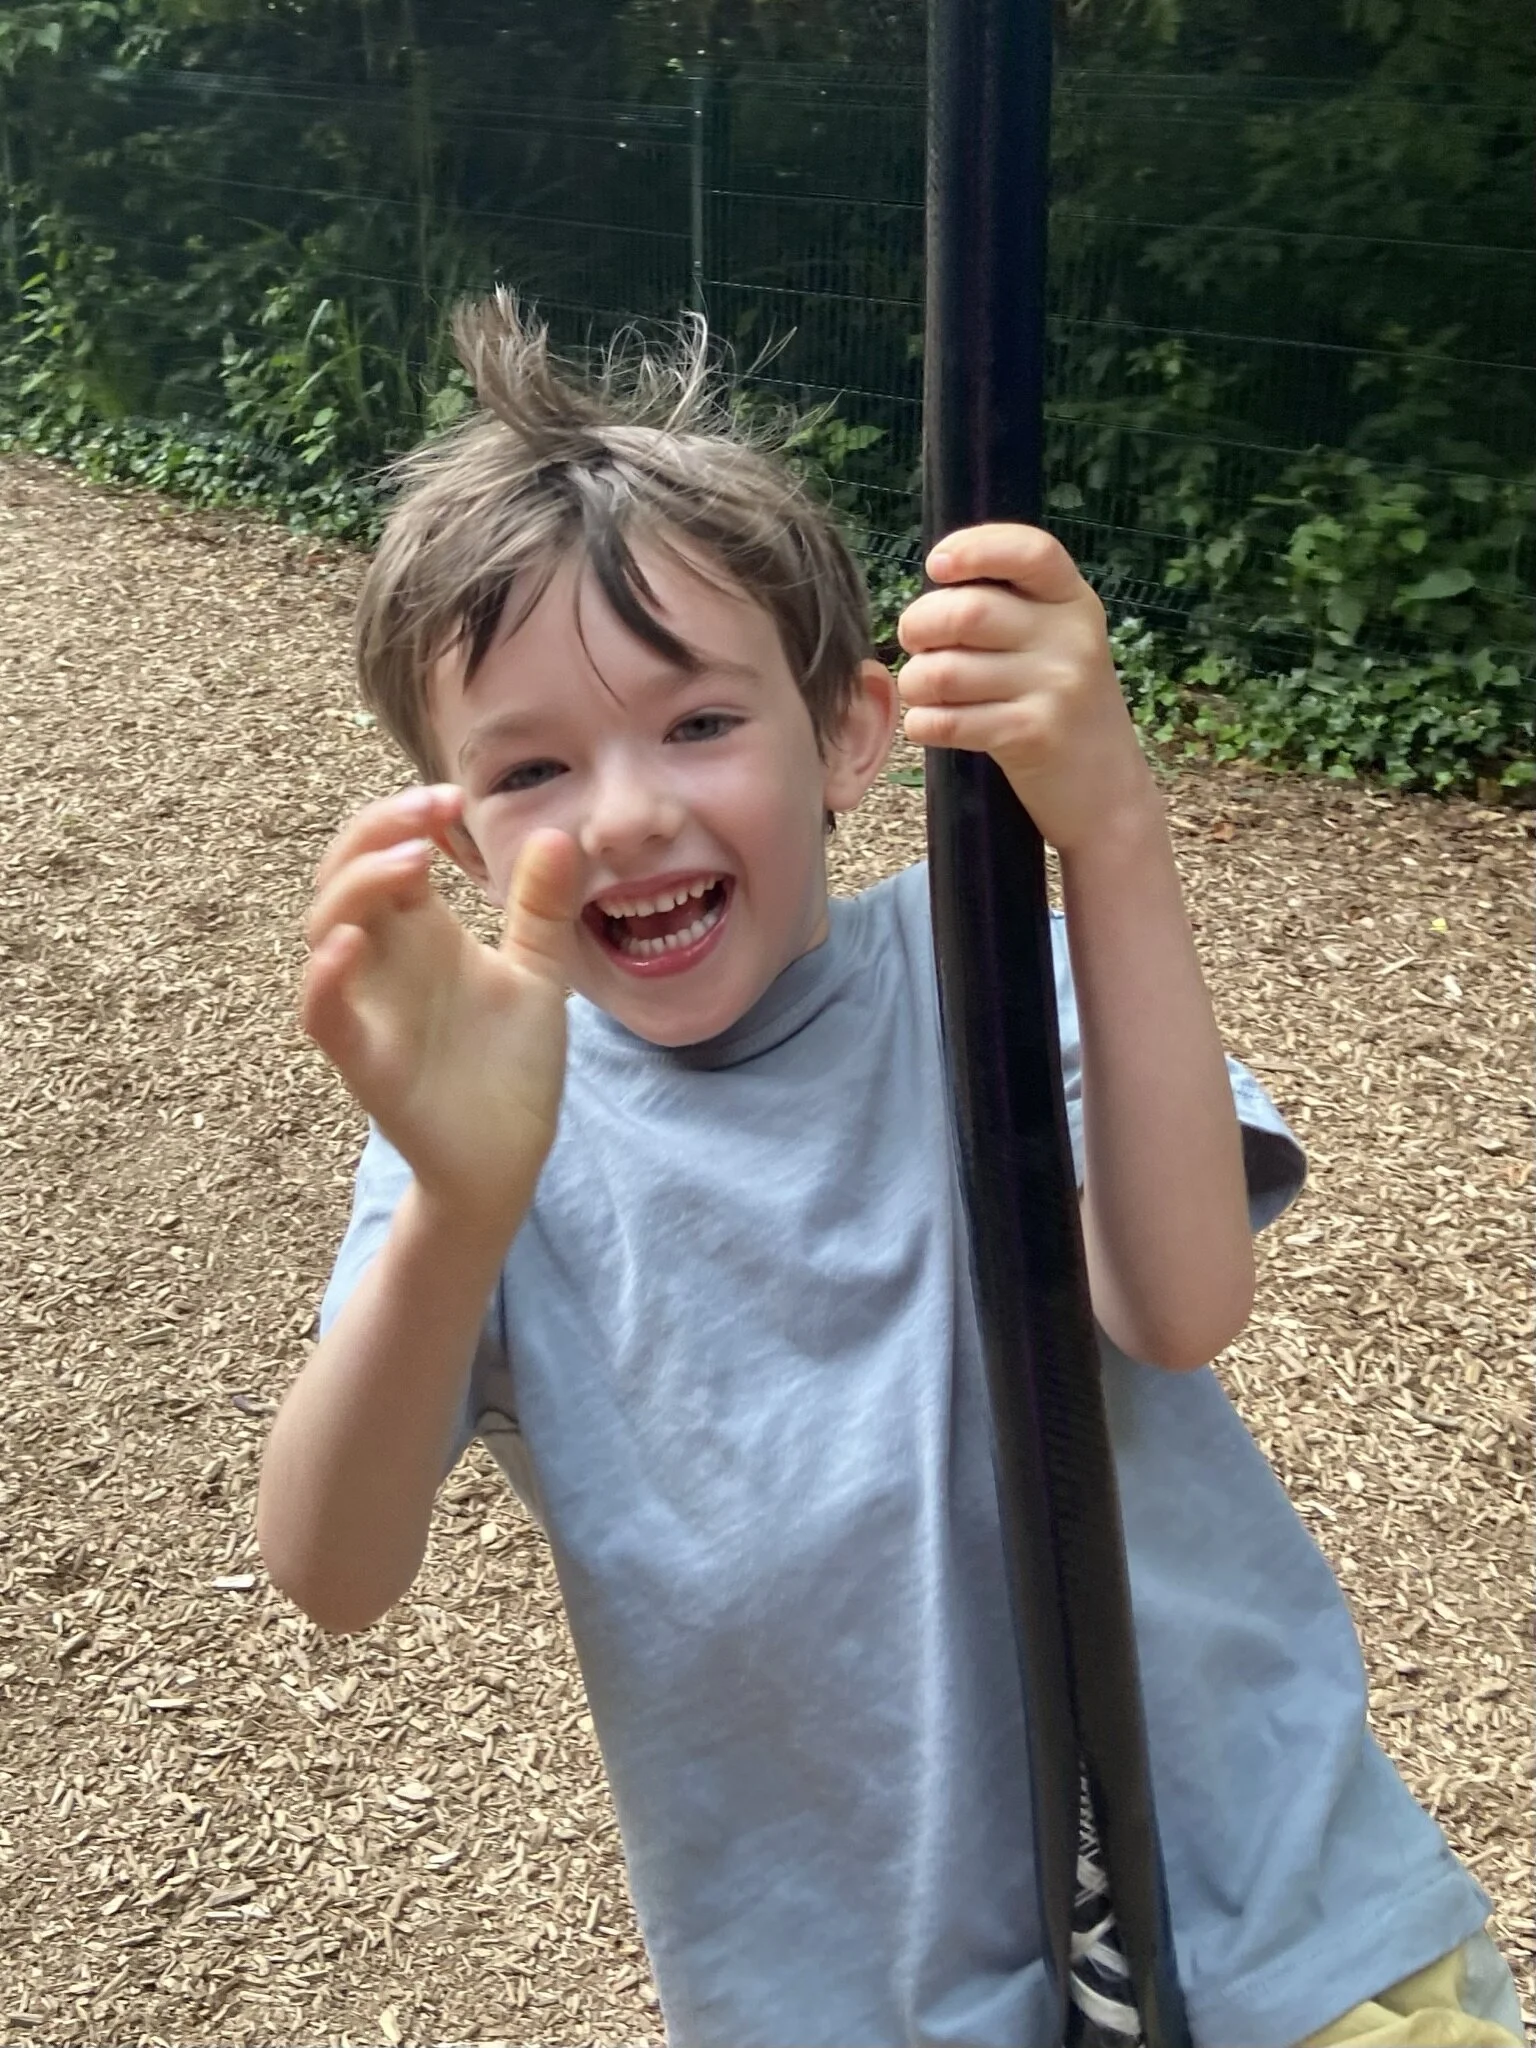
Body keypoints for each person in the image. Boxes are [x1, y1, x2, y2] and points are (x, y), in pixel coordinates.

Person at [257, 292, 1525, 2048]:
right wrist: (460, 1209)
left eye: (699, 724)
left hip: (1279, 1941)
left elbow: (1176, 1302)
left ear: (852, 735)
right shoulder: (485, 1125)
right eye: (532, 766)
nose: (624, 814)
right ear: (456, 830)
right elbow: (332, 1566)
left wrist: (1110, 825)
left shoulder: (981, 961)